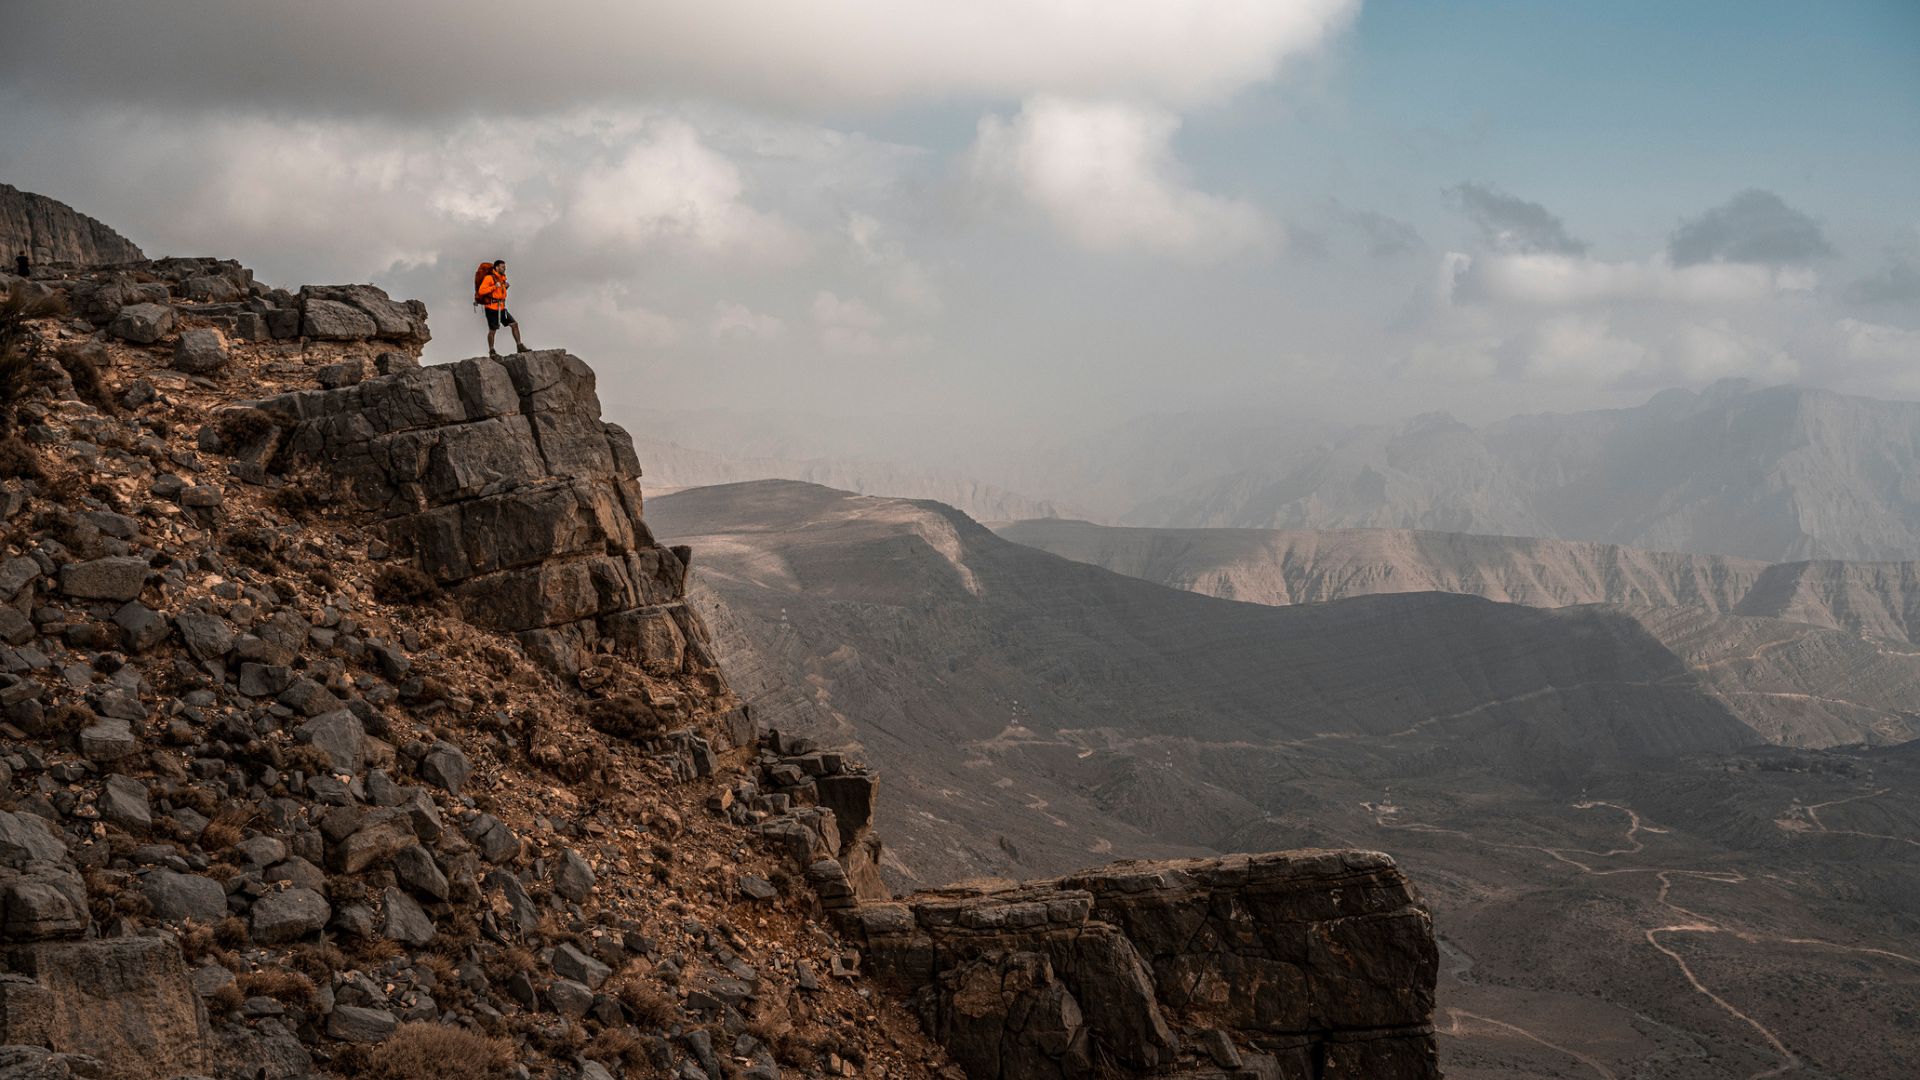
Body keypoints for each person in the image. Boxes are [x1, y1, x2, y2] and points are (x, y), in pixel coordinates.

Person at [475, 259, 529, 357]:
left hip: (501, 307)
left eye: (504, 267)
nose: (504, 268)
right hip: (491, 307)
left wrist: (505, 287)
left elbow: (500, 292)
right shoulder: (489, 278)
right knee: (493, 330)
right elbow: (481, 291)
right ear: (496, 267)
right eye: (502, 267)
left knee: (514, 324)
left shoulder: (502, 278)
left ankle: (519, 346)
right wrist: (494, 287)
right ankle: (492, 351)